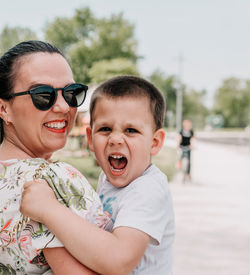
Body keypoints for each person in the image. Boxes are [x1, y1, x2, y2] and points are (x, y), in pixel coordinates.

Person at [0, 40, 111, 275]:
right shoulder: (54, 179)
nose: (64, 107)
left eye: (72, 93)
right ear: (4, 109)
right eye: (43, 95)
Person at [21, 76, 175, 275]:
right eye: (105, 129)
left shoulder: (148, 188)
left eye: (131, 130)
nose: (116, 139)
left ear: (155, 142)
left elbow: (119, 260)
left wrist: (49, 210)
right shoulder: (108, 177)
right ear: (90, 138)